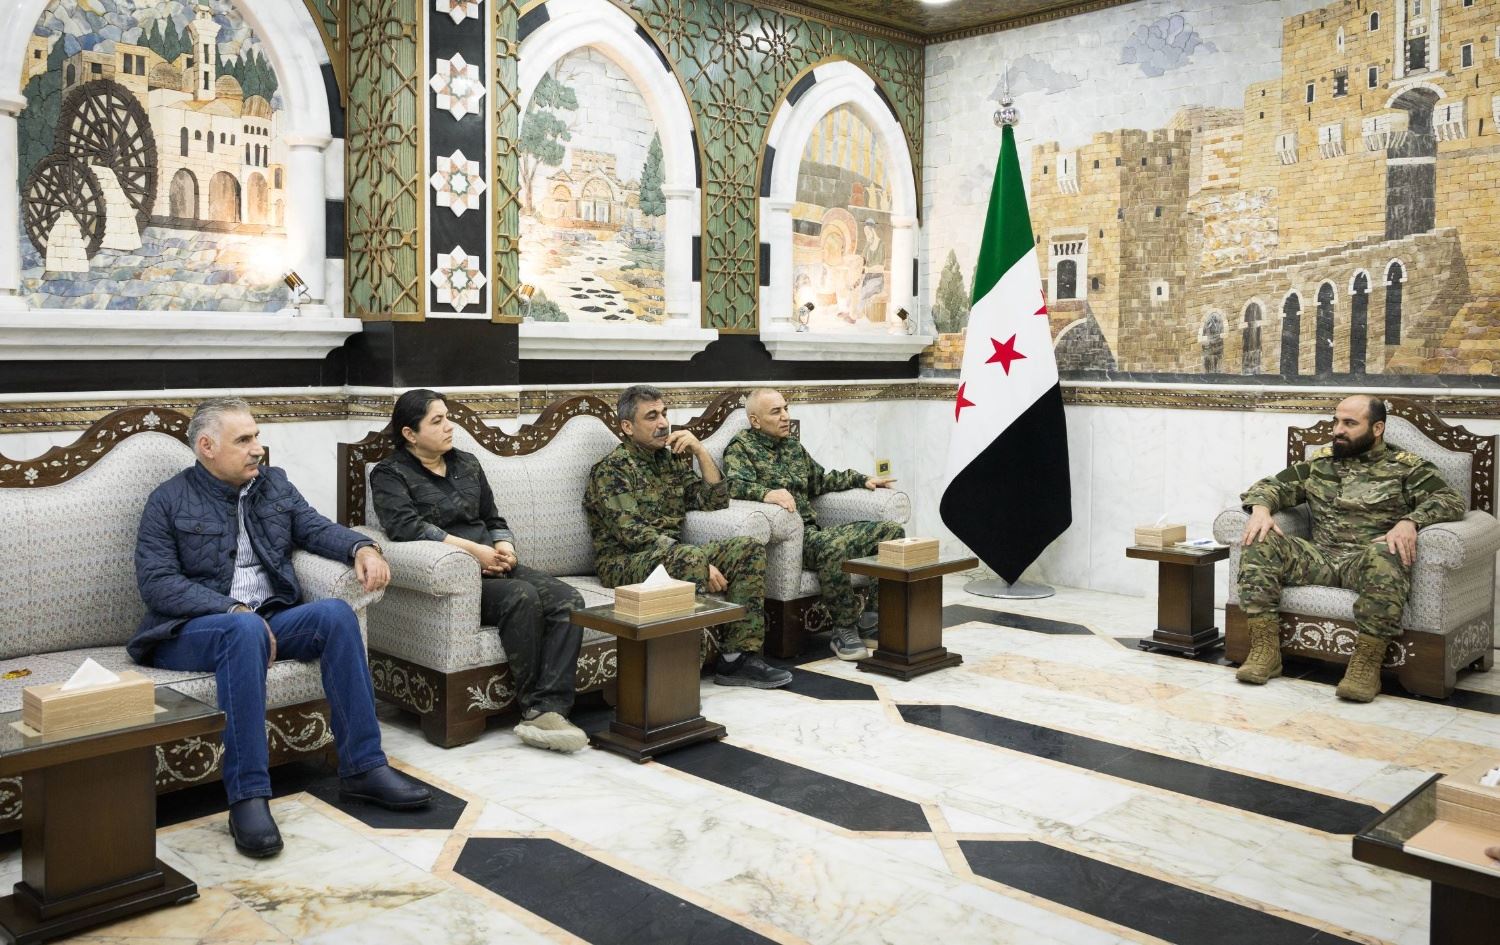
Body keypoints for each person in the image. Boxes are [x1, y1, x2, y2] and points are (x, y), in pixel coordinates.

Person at [132, 398, 430, 859]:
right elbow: (157, 583)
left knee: (336, 615)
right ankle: (248, 796)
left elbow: (314, 528)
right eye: (244, 440)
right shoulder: (169, 500)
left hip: (267, 617)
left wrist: (362, 548)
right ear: (207, 447)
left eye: (257, 436)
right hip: (189, 631)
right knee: (244, 631)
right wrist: (232, 609)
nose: (257, 448)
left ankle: (363, 768)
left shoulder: (273, 485)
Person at [370, 389, 587, 753]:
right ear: (410, 433)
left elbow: (492, 518)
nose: (448, 427)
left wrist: (505, 548)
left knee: (569, 600)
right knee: (521, 596)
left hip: (494, 562)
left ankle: (550, 708)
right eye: (437, 421)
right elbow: (405, 527)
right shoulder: (390, 474)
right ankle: (533, 707)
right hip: (460, 577)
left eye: (447, 418)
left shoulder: (467, 463)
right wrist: (474, 553)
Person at [1236, 395, 1465, 702]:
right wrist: (1262, 509)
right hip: (1319, 557)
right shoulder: (1320, 463)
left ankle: (1365, 666)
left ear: (1377, 428)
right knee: (1259, 538)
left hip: (1366, 562)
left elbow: (1450, 500)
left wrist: (1411, 521)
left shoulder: (1406, 468)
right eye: (1336, 422)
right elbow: (1269, 486)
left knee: (1388, 553)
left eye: (1349, 423)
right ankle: (1265, 650)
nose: (1337, 430)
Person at [584, 385, 792, 689]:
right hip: (622, 562)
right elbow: (633, 533)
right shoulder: (611, 470)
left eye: (664, 413)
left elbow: (714, 500)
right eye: (652, 416)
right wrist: (697, 561)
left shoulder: (669, 461)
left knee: (747, 548)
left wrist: (700, 451)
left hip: (670, 554)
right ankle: (676, 676)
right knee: (690, 556)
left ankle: (737, 659)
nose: (663, 423)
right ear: (627, 427)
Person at [722, 389, 903, 660]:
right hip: (788, 540)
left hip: (814, 533)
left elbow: (820, 480)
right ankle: (844, 629)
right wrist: (766, 494)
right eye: (776, 412)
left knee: (891, 532)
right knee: (833, 546)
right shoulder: (741, 448)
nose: (786, 417)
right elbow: (733, 486)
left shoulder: (792, 447)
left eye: (786, 408)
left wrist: (861, 479)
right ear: (755, 420)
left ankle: (871, 618)